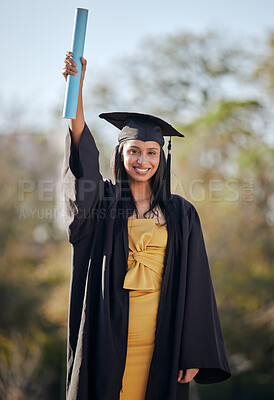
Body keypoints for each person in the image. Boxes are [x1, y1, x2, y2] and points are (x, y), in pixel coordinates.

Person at [62, 52, 231, 400]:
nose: (143, 160)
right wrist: (75, 87)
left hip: (163, 333)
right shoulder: (104, 204)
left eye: (152, 152)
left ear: (162, 158)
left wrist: (193, 351)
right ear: (121, 155)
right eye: (135, 151)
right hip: (111, 330)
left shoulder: (182, 213)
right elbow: (82, 152)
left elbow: (197, 285)